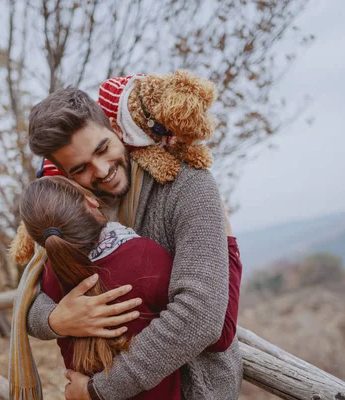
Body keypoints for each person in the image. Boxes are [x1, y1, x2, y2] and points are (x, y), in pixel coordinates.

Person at [24, 87, 243, 400]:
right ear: (65, 173)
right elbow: (28, 295)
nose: (102, 170)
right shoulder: (72, 207)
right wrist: (55, 320)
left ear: (116, 129)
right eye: (81, 168)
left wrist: (100, 390)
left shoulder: (188, 185)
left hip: (195, 390)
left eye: (103, 149)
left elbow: (203, 319)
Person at [20, 175, 182, 400]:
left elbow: (25, 309)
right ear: (90, 201)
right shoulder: (147, 257)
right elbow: (213, 330)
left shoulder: (47, 276)